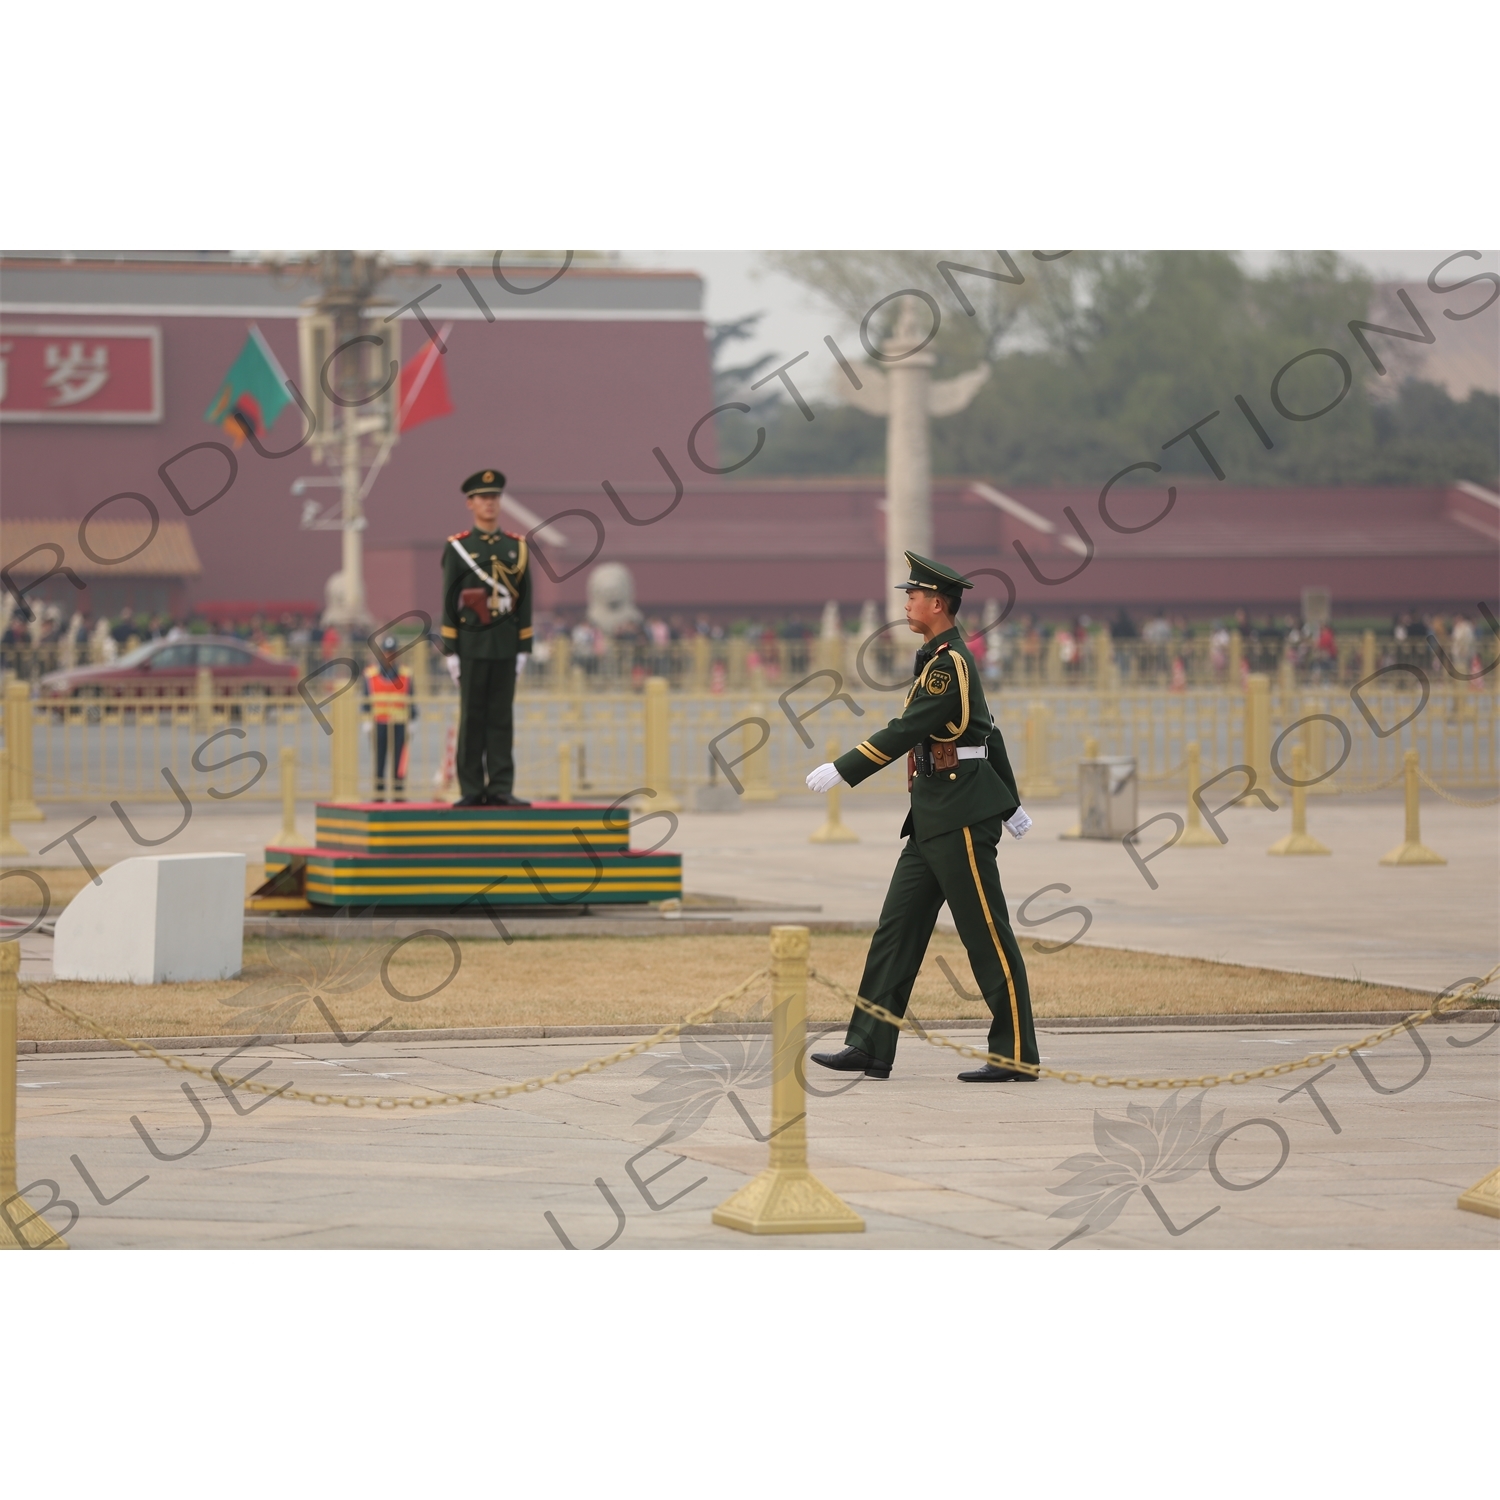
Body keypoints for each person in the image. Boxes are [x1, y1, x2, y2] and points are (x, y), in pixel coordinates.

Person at [804, 551, 1040, 1083]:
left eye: (912, 595)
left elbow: (909, 728)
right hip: (934, 815)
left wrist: (845, 768)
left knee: (986, 936)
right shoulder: (938, 660)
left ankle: (1017, 1052)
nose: (906, 602)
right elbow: (988, 730)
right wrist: (1013, 800)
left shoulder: (949, 664)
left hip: (959, 815)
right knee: (897, 931)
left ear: (938, 603)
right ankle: (869, 1044)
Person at [441, 468, 533, 807]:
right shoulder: (459, 548)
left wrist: (524, 648)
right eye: (483, 498)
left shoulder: (517, 547)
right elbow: (450, 601)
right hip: (472, 645)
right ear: (471, 503)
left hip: (506, 646)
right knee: (472, 717)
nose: (490, 504)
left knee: (501, 717)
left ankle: (500, 786)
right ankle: (470, 789)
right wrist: (451, 651)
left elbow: (525, 601)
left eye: (494, 498)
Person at [364, 634, 417, 801]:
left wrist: (413, 720)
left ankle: (398, 795)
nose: (389, 656)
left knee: (399, 763)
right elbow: (366, 700)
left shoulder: (406, 674)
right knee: (379, 761)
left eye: (392, 652)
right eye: (387, 652)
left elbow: (411, 699)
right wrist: (366, 721)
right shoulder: (370, 674)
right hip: (379, 723)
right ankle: (379, 795)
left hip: (400, 723)